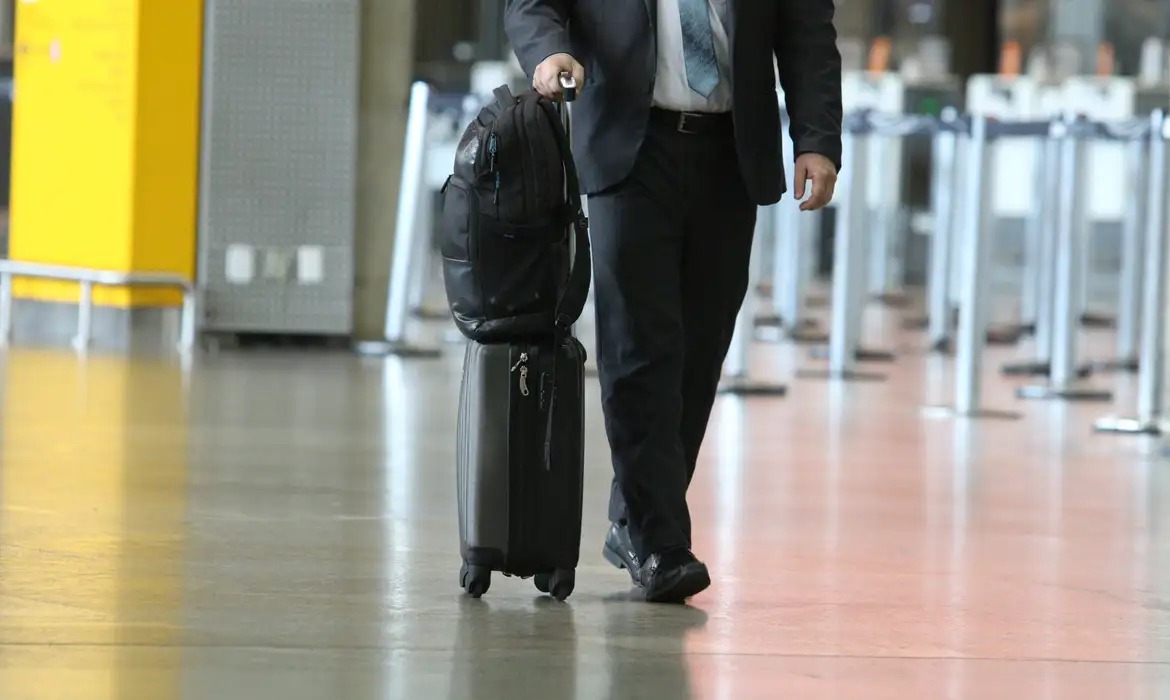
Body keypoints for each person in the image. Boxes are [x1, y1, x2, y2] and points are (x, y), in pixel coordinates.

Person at [504, 0, 842, 603]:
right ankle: (660, 543)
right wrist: (549, 52)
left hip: (730, 153)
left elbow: (806, 28)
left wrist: (816, 137)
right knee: (640, 347)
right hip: (630, 146)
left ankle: (632, 516)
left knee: (699, 349)